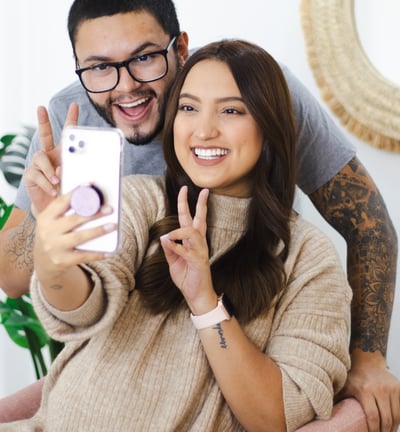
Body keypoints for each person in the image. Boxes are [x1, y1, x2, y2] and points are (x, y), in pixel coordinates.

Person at [0, 1, 398, 430]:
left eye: (144, 58)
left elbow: (368, 224)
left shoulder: (259, 82)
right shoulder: (96, 147)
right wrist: (50, 225)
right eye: (99, 67)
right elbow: (32, 284)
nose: (126, 85)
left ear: (179, 48)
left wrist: (369, 358)